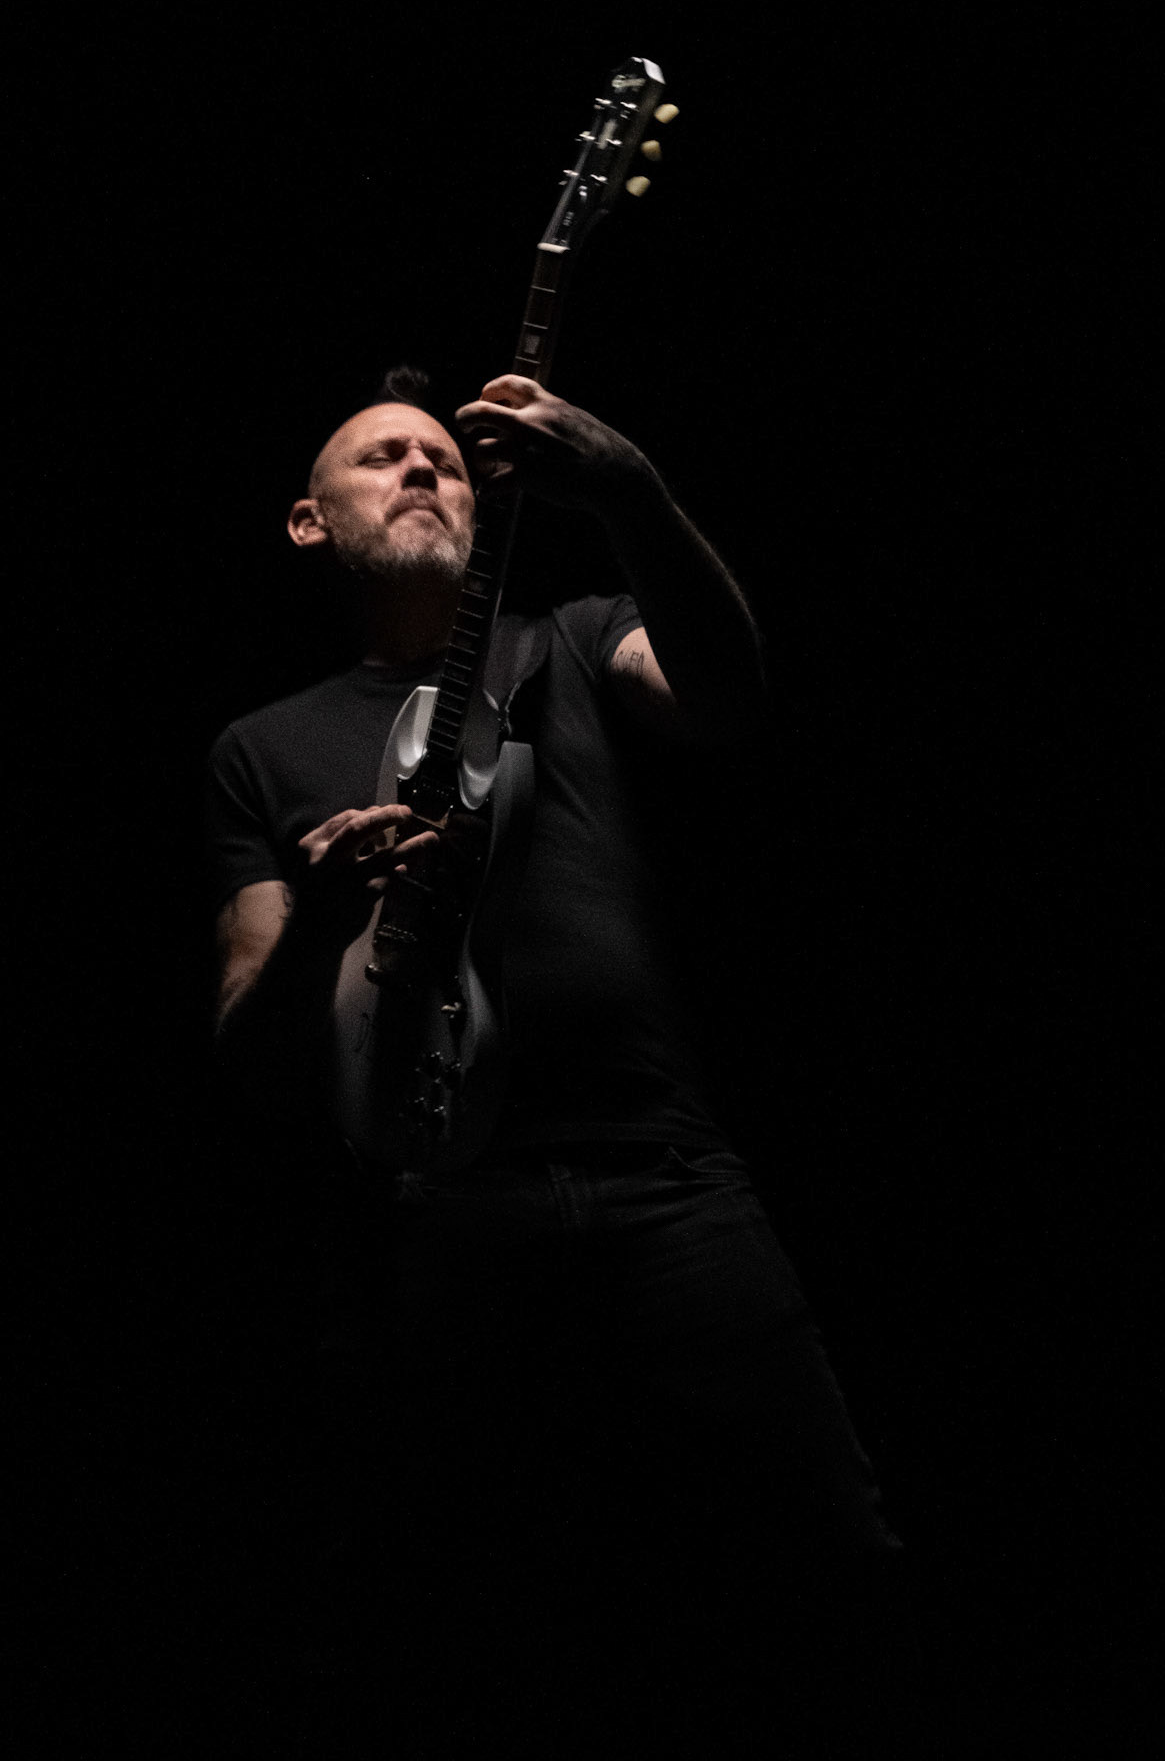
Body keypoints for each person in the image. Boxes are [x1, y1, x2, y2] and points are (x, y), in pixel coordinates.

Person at [205, 367, 929, 1756]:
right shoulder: (261, 748)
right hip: (443, 1212)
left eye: (445, 458)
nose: (425, 470)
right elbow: (248, 1043)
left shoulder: (574, 642)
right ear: (308, 521)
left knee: (822, 1555)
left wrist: (630, 491)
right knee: (479, 1613)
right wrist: (331, 919)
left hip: (665, 1181)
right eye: (383, 457)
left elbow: (726, 699)